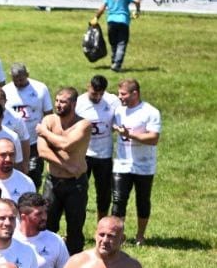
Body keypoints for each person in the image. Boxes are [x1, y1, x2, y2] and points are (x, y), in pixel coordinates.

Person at [35, 87, 92, 254]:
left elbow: (67, 144)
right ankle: (47, 258)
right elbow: (43, 151)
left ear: (73, 104)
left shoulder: (84, 125)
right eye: (57, 101)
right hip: (53, 182)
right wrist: (67, 166)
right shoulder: (49, 120)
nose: (58, 105)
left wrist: (45, 133)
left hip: (76, 184)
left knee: (75, 226)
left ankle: (73, 264)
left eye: (63, 102)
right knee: (46, 225)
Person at [111, 79, 161, 245]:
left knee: (143, 200)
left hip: (144, 165)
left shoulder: (150, 112)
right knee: (118, 200)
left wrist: (129, 135)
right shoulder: (118, 111)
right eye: (119, 93)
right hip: (122, 164)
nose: (120, 97)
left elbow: (153, 138)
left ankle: (140, 235)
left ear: (135, 93)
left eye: (123, 94)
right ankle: (119, 236)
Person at [76, 75, 119, 222]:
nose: (97, 97)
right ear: (88, 86)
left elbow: (118, 122)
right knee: (79, 191)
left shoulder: (112, 101)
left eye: (101, 94)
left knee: (104, 193)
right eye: (94, 93)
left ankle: (101, 224)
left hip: (104, 155)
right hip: (84, 154)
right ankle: (76, 224)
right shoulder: (79, 102)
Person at [2, 64, 53, 188]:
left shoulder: (40, 89)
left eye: (21, 78)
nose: (18, 82)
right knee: (12, 173)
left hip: (34, 141)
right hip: (13, 142)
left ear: (27, 74)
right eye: (15, 79)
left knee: (34, 173)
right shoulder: (5, 91)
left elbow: (48, 114)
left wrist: (47, 137)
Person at [15, 193, 69, 268]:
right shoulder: (11, 239)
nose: (44, 217)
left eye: (45, 212)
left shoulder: (55, 241)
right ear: (24, 217)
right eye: (38, 214)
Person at [92, 0, 141, 73]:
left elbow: (102, 7)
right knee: (121, 43)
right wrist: (137, 11)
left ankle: (114, 61)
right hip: (123, 20)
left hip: (111, 21)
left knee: (113, 43)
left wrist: (96, 18)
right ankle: (117, 64)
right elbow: (137, 1)